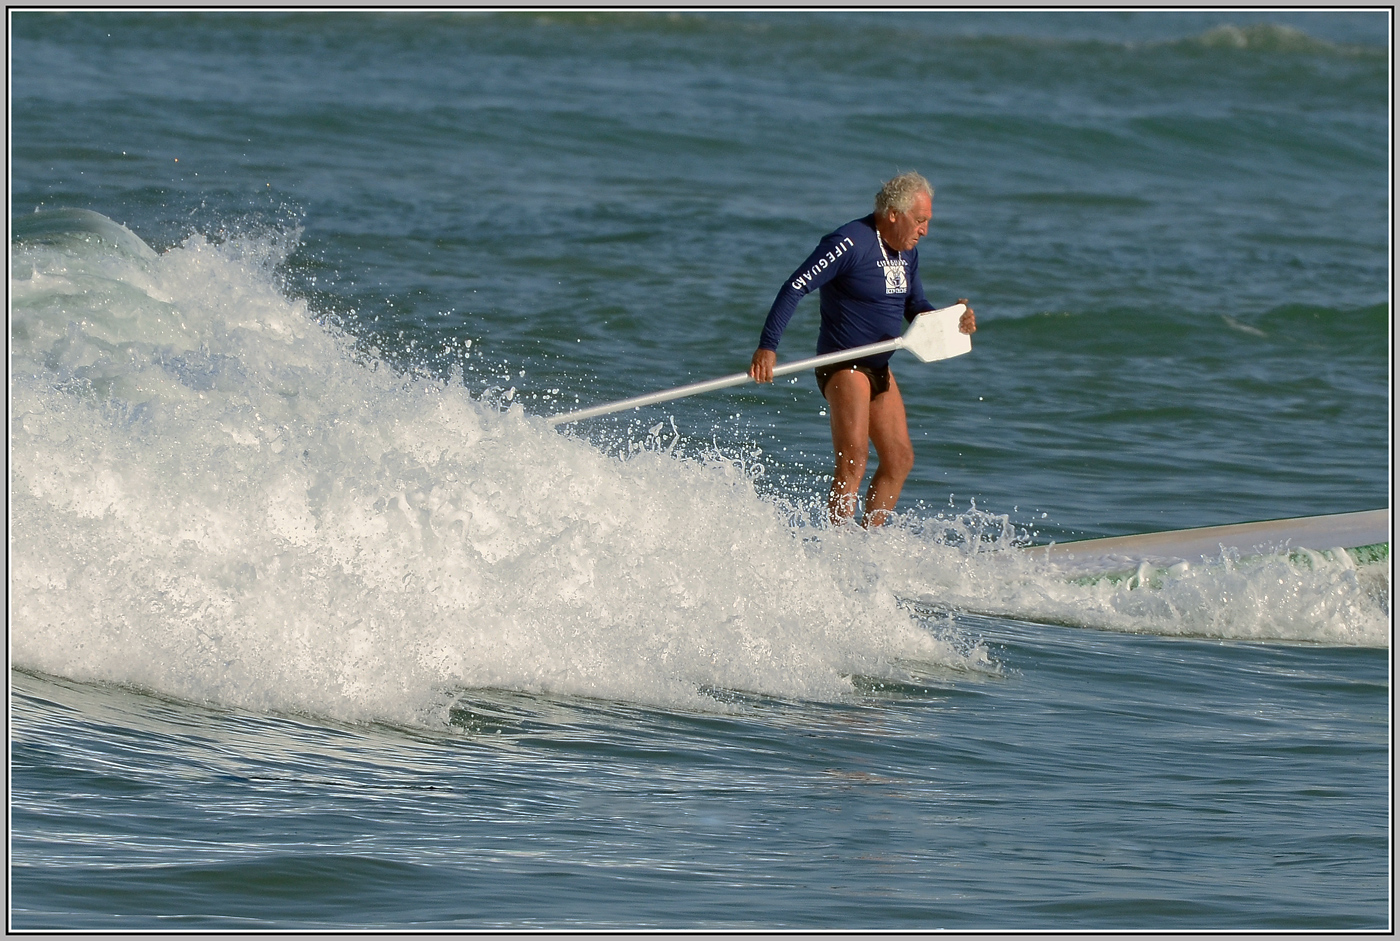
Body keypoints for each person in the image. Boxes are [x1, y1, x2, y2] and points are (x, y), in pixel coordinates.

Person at [749, 172, 975, 527]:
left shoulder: (906, 254)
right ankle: (837, 550)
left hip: (879, 366)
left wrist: (951, 320)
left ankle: (869, 543)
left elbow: (915, 306)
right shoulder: (848, 242)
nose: (925, 231)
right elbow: (795, 286)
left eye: (927, 222)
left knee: (899, 459)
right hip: (844, 363)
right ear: (894, 215)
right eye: (920, 221)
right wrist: (768, 346)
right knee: (853, 460)